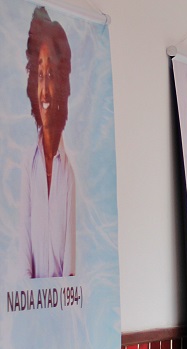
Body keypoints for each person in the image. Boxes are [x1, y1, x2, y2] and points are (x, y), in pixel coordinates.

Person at [21, 6, 76, 279]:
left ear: (63, 85)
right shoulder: (26, 167)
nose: (44, 89)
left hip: (67, 317)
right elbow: (22, 262)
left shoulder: (70, 173)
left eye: (52, 75)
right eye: (40, 75)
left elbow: (72, 271)